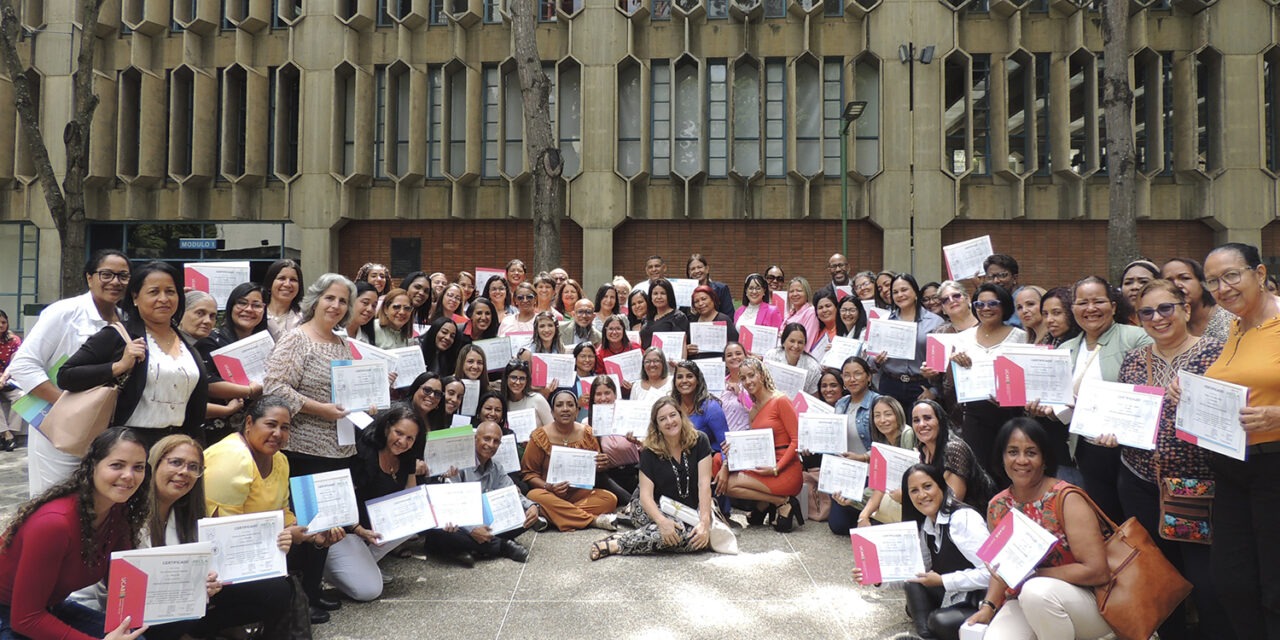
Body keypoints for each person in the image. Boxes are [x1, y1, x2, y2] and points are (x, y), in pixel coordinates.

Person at [1112, 279, 1229, 640]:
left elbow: (1228, 419)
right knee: (1159, 581)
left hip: (1197, 488)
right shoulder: (1134, 359)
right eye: (1147, 312)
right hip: (1139, 482)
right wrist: (1111, 432)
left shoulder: (1217, 354)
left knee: (1207, 583)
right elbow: (1123, 414)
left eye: (1166, 308)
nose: (1157, 318)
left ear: (1186, 309)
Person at [132, 434, 293, 640]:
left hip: (184, 600)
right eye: (176, 462)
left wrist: (274, 547)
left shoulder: (189, 512)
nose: (184, 472)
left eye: (193, 467)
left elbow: (213, 565)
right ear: (154, 464)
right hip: (142, 609)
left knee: (276, 589)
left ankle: (199, 632)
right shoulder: (132, 513)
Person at [965, 419, 1114, 640]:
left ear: (1044, 459)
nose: (1021, 460)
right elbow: (1002, 568)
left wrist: (1033, 576)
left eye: (1031, 452)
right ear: (1002, 458)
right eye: (1013, 452)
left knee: (1035, 592)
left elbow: (1097, 571)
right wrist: (988, 606)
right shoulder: (998, 506)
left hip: (1087, 602)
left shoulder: (1066, 498)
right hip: (1026, 599)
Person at [204, 396, 347, 624]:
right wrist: (287, 535)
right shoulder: (232, 458)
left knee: (317, 537)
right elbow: (224, 536)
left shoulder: (279, 460)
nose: (278, 433)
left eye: (285, 427)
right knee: (278, 592)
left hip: (259, 544)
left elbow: (283, 511)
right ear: (249, 423)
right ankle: (206, 627)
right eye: (270, 424)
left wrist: (312, 535)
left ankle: (305, 600)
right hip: (222, 560)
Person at [1199, 242, 1280, 639]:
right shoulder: (1233, 326)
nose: (1223, 288)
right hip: (1232, 468)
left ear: (1259, 274)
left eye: (1231, 275)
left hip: (1274, 465)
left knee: (1274, 584)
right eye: (1213, 281)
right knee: (1232, 581)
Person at [0, 428, 150, 640]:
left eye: (138, 467)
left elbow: (123, 587)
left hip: (50, 608)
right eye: (117, 465)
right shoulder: (54, 524)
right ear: (92, 466)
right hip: (11, 616)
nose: (128, 476)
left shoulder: (117, 512)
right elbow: (25, 619)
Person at [1030, 276, 1152, 524]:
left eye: (1098, 301)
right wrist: (1046, 411)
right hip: (1086, 450)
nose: (1090, 308)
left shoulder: (1137, 338)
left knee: (1137, 523)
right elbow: (1062, 407)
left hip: (1129, 452)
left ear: (1113, 306)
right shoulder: (1066, 349)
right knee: (1106, 521)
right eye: (1082, 303)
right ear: (1073, 309)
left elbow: (1148, 393)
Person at [10, 249, 130, 493]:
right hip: (58, 427)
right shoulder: (65, 312)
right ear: (89, 277)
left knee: (95, 500)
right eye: (106, 274)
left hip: (105, 429)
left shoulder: (125, 319)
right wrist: (68, 409)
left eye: (123, 276)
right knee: (57, 497)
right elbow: (23, 365)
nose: (115, 282)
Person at [60, 261, 210, 451]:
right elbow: (66, 376)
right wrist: (119, 366)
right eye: (154, 292)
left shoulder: (187, 343)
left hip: (175, 446)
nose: (163, 299)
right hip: (129, 446)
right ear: (135, 297)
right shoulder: (118, 335)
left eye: (170, 292)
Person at [854, 464, 989, 640]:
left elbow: (991, 574)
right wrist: (877, 577)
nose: (922, 495)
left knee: (939, 620)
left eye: (927, 486)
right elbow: (915, 572)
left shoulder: (963, 519)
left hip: (981, 601)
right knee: (914, 582)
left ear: (941, 486)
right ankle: (926, 637)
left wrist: (943, 580)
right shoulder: (927, 525)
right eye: (914, 491)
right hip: (952, 594)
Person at [590, 398, 718, 560]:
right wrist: (661, 522)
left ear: (681, 416)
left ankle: (626, 538)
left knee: (695, 540)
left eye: (673, 415)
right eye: (662, 419)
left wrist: (704, 523)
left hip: (687, 511)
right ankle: (617, 545)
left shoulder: (700, 441)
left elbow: (704, 485)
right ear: (656, 425)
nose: (669, 422)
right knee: (677, 534)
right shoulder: (650, 451)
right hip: (649, 508)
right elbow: (645, 497)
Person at [326, 405, 421, 599]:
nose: (403, 442)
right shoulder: (364, 453)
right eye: (398, 433)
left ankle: (364, 564)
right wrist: (359, 529)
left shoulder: (407, 457)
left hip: (374, 529)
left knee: (416, 519)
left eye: (410, 438)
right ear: (387, 428)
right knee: (369, 591)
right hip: (347, 531)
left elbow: (411, 497)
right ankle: (328, 569)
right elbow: (341, 502)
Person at [421, 421, 540, 566]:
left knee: (525, 516)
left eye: (496, 441)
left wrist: (532, 506)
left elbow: (511, 491)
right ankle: (502, 546)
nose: (491, 445)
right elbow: (451, 507)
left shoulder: (496, 467)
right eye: (486, 439)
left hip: (484, 520)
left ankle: (469, 548)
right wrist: (472, 529)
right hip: (461, 521)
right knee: (443, 531)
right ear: (475, 439)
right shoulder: (457, 465)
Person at [715, 357, 803, 532]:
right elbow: (751, 444)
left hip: (784, 469)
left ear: (761, 375)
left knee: (729, 485)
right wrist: (730, 455)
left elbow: (797, 440)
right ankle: (774, 502)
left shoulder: (781, 400)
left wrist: (776, 468)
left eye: (751, 375)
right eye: (743, 378)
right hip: (763, 465)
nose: (748, 381)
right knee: (720, 469)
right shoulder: (753, 409)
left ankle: (780, 502)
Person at [948, 284, 1026, 471]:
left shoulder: (1021, 337)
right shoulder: (962, 339)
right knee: (979, 471)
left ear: (1004, 305)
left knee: (1010, 469)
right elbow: (951, 383)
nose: (985, 308)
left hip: (1010, 415)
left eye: (992, 303)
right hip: (975, 416)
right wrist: (953, 362)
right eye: (979, 304)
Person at [521, 388, 619, 531]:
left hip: (578, 494)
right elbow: (529, 474)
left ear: (577, 411)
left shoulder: (587, 433)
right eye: (559, 405)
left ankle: (551, 515)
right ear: (552, 412)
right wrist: (549, 487)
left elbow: (595, 466)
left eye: (570, 405)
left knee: (609, 499)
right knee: (533, 495)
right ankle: (592, 520)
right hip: (549, 493)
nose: (565, 409)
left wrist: (601, 465)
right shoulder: (539, 436)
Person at [192, 283, 267, 444]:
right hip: (216, 430)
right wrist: (249, 391)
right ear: (231, 306)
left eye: (256, 305)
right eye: (242, 303)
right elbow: (206, 382)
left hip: (255, 429)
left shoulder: (267, 343)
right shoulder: (210, 340)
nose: (249, 309)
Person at [818, 357, 879, 531]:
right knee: (838, 526)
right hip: (845, 474)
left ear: (868, 377)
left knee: (863, 522)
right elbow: (833, 440)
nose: (852, 379)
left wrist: (863, 457)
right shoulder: (841, 403)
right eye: (847, 375)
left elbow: (888, 446)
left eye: (857, 374)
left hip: (870, 473)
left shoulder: (879, 403)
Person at [873, 274, 947, 408]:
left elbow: (942, 365)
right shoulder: (883, 321)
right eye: (895, 292)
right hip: (890, 383)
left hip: (921, 386)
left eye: (904, 290)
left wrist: (934, 391)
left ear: (915, 292)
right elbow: (870, 361)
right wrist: (876, 360)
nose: (900, 295)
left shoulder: (935, 322)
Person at [845, 396, 917, 531]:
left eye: (888, 414)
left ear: (898, 414)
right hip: (886, 489)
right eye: (877, 416)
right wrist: (851, 500)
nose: (882, 420)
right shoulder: (882, 439)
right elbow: (880, 482)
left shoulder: (907, 434)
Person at [908, 399, 991, 511]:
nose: (921, 424)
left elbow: (952, 502)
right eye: (916, 420)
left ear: (940, 421)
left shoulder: (953, 449)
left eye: (927, 418)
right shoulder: (922, 450)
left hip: (969, 514)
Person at [1161, 257, 1234, 341]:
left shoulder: (1230, 318)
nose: (1177, 285)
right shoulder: (1165, 325)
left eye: (1185, 278)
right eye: (1169, 281)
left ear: (1202, 283)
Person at [670, 360, 728, 454]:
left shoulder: (711, 407)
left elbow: (725, 445)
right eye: (680, 377)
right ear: (675, 382)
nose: (684, 381)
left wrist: (722, 463)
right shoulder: (671, 406)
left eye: (689, 376)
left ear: (697, 380)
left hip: (707, 459)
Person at [763, 323, 824, 396]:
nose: (796, 346)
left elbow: (813, 395)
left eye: (800, 342)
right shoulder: (771, 357)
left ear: (805, 344)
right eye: (792, 341)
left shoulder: (813, 367)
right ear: (783, 342)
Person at [686, 285, 737, 360]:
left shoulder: (724, 320)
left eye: (704, 299)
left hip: (718, 364)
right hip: (696, 364)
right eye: (696, 301)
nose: (700, 303)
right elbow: (686, 343)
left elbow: (734, 345)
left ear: (713, 299)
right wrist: (687, 349)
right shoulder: (693, 321)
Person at [639, 279, 688, 355]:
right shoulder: (646, 318)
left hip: (668, 360)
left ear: (669, 295)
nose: (659, 297)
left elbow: (681, 346)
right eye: (655, 293)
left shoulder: (678, 317)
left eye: (663, 293)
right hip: (647, 360)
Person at [502, 359, 552, 426]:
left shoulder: (537, 399)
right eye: (513, 377)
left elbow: (551, 428)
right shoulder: (502, 403)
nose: (518, 382)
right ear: (506, 378)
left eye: (522, 378)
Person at [262, 259, 303, 341]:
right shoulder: (257, 314)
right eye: (281, 278)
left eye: (293, 280)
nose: (287, 284)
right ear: (270, 283)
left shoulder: (305, 318)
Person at [685, 253, 735, 317]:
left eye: (699, 267)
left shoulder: (721, 289)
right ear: (689, 273)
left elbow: (729, 316)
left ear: (707, 269)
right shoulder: (684, 292)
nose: (697, 271)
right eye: (693, 269)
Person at [719, 342, 753, 431]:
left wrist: (740, 394)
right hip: (722, 436)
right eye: (729, 355)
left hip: (745, 435)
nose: (734, 357)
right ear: (724, 361)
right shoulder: (719, 383)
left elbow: (756, 410)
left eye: (738, 353)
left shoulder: (753, 382)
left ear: (746, 357)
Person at [0, 310, 21, 451]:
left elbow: (14, 364)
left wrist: (3, 378)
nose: (1, 325)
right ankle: (6, 434)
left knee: (22, 396)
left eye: (3, 322)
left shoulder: (14, 340)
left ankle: (12, 432)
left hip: (8, 380)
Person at [1120, 259, 1161, 323]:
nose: (1135, 287)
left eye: (1143, 282)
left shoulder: (1168, 318)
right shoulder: (1111, 321)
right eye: (1128, 283)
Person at [781, 277, 819, 342]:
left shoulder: (811, 313)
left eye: (799, 291)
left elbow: (808, 341)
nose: (795, 294)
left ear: (807, 293)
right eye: (791, 291)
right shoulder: (790, 313)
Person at [810, 291, 841, 356]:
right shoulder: (816, 332)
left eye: (828, 306)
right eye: (820, 308)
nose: (824, 310)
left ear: (837, 308)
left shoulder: (845, 330)